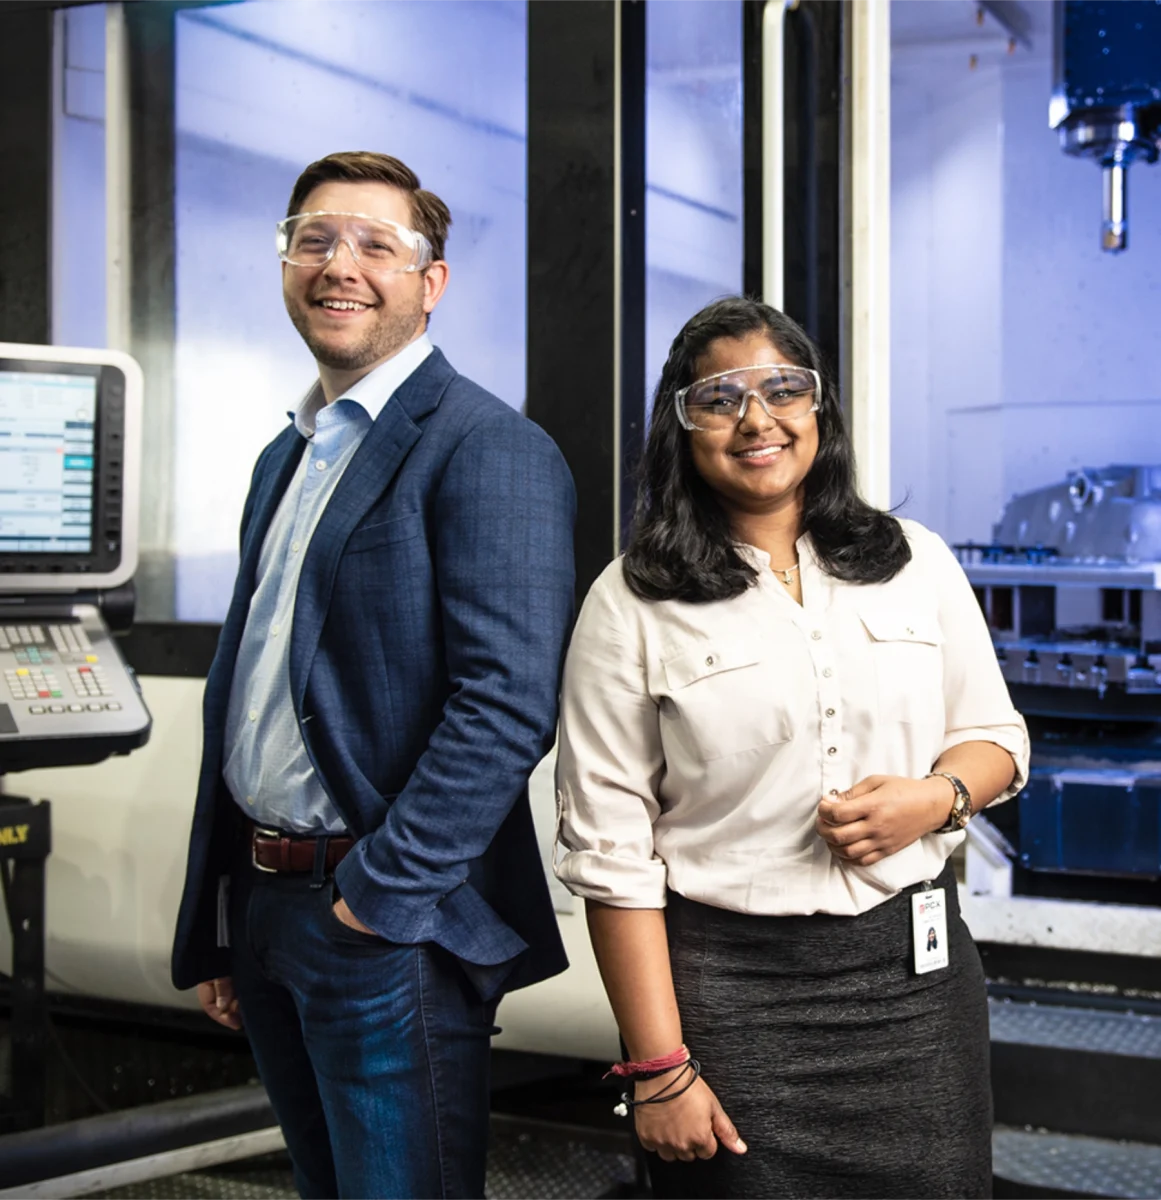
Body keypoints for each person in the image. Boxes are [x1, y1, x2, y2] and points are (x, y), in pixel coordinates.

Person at [554, 296, 1029, 1200]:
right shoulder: (630, 600)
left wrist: (936, 800)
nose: (757, 420)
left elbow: (995, 738)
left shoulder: (912, 560)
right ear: (681, 427)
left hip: (913, 990)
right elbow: (611, 854)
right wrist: (658, 1068)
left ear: (820, 412)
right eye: (720, 398)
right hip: (725, 998)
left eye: (783, 390)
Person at [171, 151, 576, 1200]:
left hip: (386, 917)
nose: (339, 264)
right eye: (315, 239)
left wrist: (376, 902)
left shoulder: (488, 448)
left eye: (376, 245)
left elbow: (507, 705)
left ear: (429, 282)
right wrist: (222, 913)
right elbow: (251, 690)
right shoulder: (289, 453)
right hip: (267, 907)